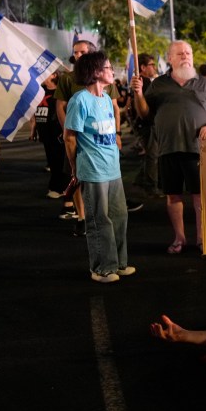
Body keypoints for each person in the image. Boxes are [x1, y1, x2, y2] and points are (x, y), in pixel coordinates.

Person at [131, 40, 206, 254]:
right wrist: (138, 94)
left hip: (197, 149)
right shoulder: (158, 85)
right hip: (168, 147)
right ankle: (179, 238)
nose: (185, 56)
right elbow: (144, 113)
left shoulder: (204, 84)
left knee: (199, 195)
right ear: (170, 58)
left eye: (188, 53)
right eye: (180, 53)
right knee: (173, 195)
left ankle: (202, 239)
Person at [63, 51, 134, 284]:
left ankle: (119, 263)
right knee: (98, 220)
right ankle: (101, 268)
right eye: (108, 67)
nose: (112, 71)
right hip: (93, 170)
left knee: (119, 215)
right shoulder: (79, 100)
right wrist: (75, 168)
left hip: (112, 168)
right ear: (95, 72)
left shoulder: (105, 98)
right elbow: (69, 137)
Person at [29, 70, 69, 199]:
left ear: (54, 75)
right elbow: (34, 113)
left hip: (57, 132)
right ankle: (56, 186)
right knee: (52, 161)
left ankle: (59, 188)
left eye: (47, 73)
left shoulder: (61, 92)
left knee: (59, 161)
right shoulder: (40, 91)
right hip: (44, 132)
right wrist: (33, 130)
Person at [130, 54, 162, 199]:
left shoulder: (144, 82)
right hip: (147, 124)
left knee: (153, 154)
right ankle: (151, 186)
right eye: (151, 64)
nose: (154, 67)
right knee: (153, 156)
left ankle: (141, 180)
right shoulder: (144, 82)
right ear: (142, 67)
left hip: (147, 123)